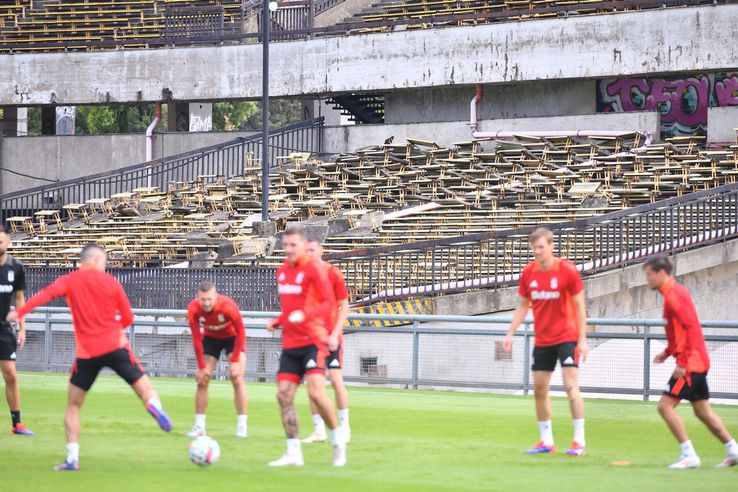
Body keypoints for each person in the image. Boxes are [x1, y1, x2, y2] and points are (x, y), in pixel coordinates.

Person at [7, 244, 172, 471]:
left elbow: (43, 295)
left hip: (87, 353)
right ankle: (154, 406)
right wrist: (115, 328)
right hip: (115, 345)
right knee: (145, 389)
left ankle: (72, 458)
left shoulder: (69, 280)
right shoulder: (111, 282)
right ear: (96, 260)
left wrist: (19, 313)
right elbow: (128, 318)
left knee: (73, 406)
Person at [644, 255, 738, 469]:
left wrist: (683, 362)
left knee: (665, 406)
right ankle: (734, 450)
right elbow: (680, 330)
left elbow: (691, 329)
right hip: (697, 361)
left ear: (661, 273)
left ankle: (689, 455)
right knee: (702, 411)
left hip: (691, 364)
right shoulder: (673, 292)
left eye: (649, 274)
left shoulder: (673, 295)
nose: (647, 279)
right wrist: (668, 352)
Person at [502, 227, 589, 457]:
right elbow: (522, 306)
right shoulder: (528, 272)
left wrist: (582, 339)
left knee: (571, 386)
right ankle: (546, 441)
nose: (538, 251)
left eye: (541, 247)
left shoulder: (567, 270)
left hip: (567, 337)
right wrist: (510, 332)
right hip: (543, 339)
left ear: (551, 246)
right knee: (539, 389)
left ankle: (579, 441)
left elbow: (581, 306)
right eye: (534, 248)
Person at [266, 226, 347, 467]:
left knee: (316, 394)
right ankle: (293, 452)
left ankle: (337, 441)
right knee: (283, 395)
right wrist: (278, 321)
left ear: (302, 246)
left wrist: (305, 314)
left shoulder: (313, 269)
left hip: (313, 340)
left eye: (293, 245)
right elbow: (290, 309)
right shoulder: (281, 272)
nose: (289, 250)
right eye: (286, 245)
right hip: (291, 342)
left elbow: (329, 304)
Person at [302, 237, 352, 444]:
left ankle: (345, 427)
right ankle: (319, 431)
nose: (309, 254)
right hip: (312, 336)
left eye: (312, 250)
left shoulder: (332, 273)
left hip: (331, 336)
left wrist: (335, 333)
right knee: (313, 384)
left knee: (336, 379)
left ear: (321, 250)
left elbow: (345, 306)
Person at [186, 281, 248, 438]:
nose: (206, 303)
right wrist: (201, 366)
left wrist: (234, 360)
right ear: (197, 298)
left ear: (215, 296)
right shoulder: (193, 309)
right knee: (202, 380)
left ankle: (242, 427)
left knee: (236, 377)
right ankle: (199, 426)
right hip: (211, 338)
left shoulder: (228, 306)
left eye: (209, 299)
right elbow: (196, 338)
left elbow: (241, 332)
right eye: (203, 299)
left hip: (233, 338)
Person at [0, 225, 34, 435]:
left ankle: (17, 424)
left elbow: (19, 299)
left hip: (4, 329)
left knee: (11, 374)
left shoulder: (16, 267)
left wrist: (22, 329)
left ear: (8, 242)